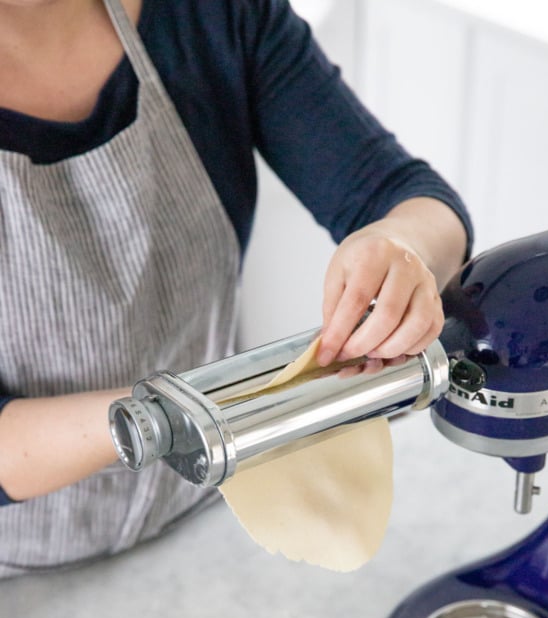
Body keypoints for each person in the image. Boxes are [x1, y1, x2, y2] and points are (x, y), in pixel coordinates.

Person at [0, 0, 472, 576]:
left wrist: (402, 248)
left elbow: (406, 192)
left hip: (212, 509)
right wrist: (163, 421)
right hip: (22, 582)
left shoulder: (214, 15)